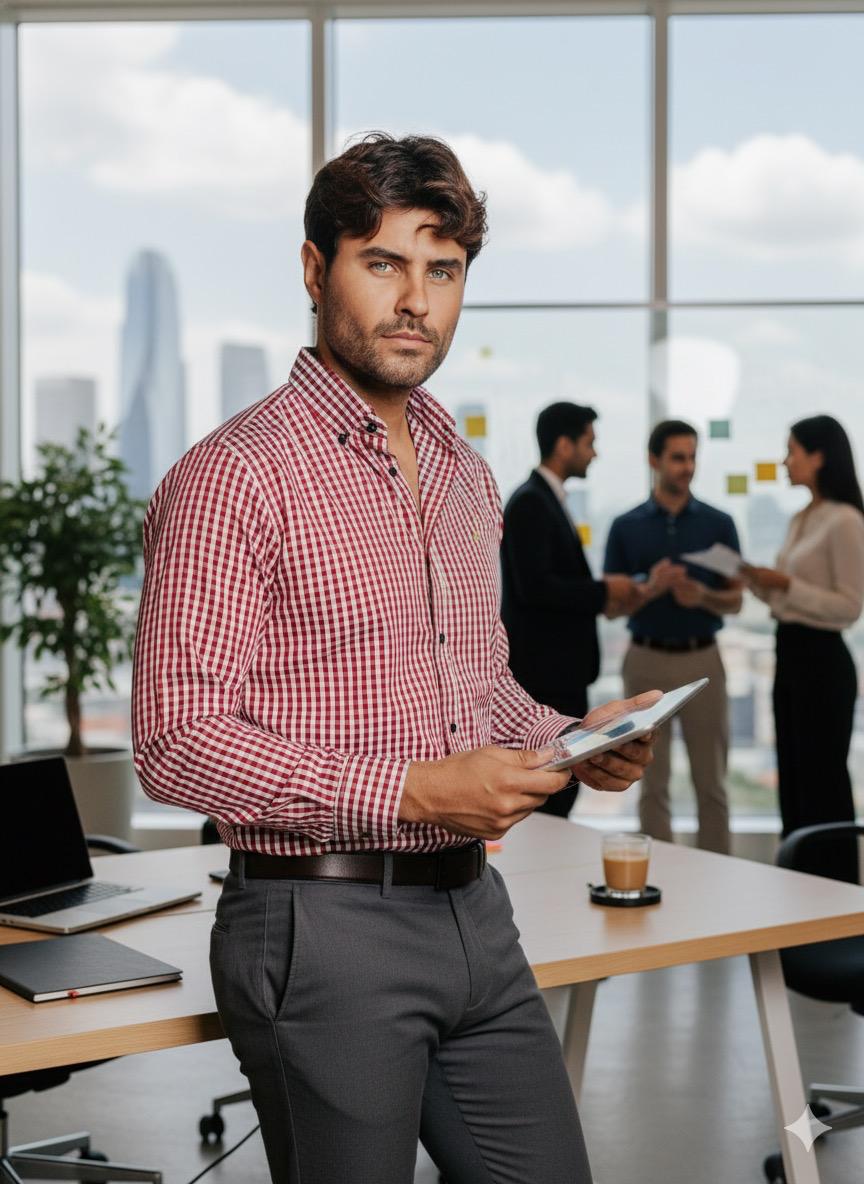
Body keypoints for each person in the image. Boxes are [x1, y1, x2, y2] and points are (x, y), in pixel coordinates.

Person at [131, 134, 659, 1184]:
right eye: (385, 262)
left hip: (475, 911)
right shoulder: (232, 476)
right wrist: (412, 788)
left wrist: (568, 737)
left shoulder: (465, 473)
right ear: (315, 267)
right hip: (317, 918)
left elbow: (476, 683)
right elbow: (173, 740)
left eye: (444, 268)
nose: (417, 298)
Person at [603, 419, 743, 854]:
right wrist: (650, 589)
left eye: (692, 457)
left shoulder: (718, 524)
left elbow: (735, 601)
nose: (687, 467)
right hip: (646, 661)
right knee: (651, 781)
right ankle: (658, 881)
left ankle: (720, 879)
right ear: (654, 460)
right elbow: (610, 606)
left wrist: (702, 595)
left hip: (703, 661)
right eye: (678, 458)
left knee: (712, 783)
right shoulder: (626, 527)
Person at [501, 402, 641, 818]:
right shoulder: (530, 502)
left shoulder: (545, 499)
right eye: (589, 443)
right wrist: (603, 591)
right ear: (564, 445)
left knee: (560, 796)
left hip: (557, 673)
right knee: (551, 796)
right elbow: (536, 587)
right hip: (546, 678)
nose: (595, 454)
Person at [743, 415, 864, 884]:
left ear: (819, 457)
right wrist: (758, 582)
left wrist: (786, 583)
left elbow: (849, 607)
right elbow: (785, 599)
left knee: (821, 783)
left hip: (823, 662)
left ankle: (835, 901)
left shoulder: (846, 520)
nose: (784, 460)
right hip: (790, 654)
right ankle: (800, 894)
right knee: (794, 781)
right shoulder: (801, 518)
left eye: (791, 450)